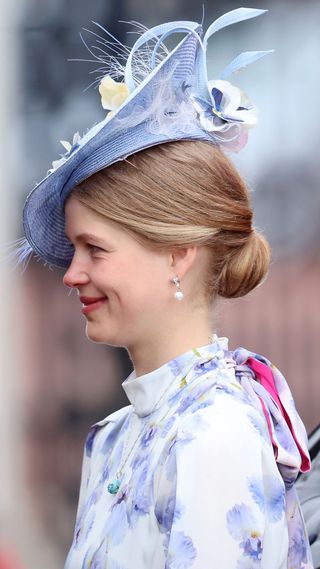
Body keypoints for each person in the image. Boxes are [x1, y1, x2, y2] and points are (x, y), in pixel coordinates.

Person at [17, 7, 314, 569]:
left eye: (95, 249)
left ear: (178, 253)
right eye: (73, 249)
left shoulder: (213, 434)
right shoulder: (115, 435)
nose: (72, 273)